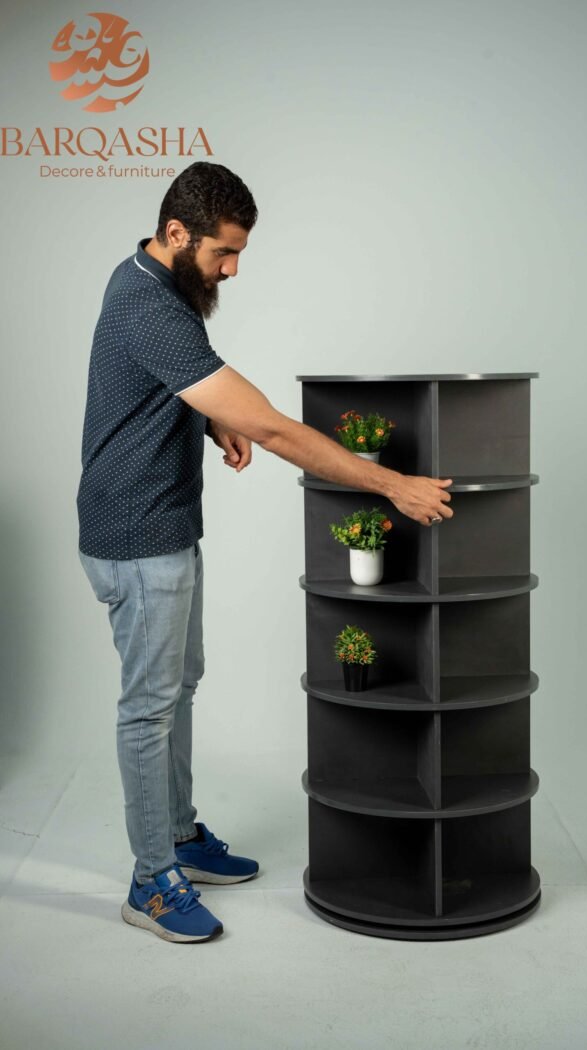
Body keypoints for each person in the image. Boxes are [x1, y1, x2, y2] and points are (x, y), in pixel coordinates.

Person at [76, 161, 454, 944]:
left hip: (165, 527)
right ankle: (151, 882)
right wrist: (390, 486)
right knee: (149, 708)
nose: (234, 269)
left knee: (180, 684)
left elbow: (170, 388)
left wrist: (208, 418)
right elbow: (277, 429)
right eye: (224, 253)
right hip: (138, 537)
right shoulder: (151, 306)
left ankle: (178, 836)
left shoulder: (159, 286)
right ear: (177, 234)